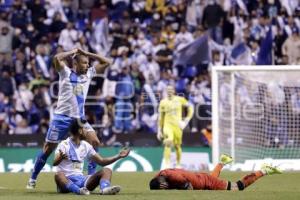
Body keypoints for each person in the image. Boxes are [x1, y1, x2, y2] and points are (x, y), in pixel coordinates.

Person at [27, 48, 112, 189]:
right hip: (61, 118)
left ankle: (90, 176)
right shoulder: (65, 72)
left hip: (79, 119)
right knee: (48, 149)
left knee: (95, 141)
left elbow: (108, 61)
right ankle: (33, 178)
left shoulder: (89, 74)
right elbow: (56, 58)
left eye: (88, 63)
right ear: (75, 64)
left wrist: (87, 53)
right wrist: (73, 51)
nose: (87, 65)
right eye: (84, 63)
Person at [53, 119, 130, 195]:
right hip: (65, 181)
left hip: (81, 180)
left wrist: (118, 156)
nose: (87, 131)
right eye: (85, 128)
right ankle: (78, 191)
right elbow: (54, 163)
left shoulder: (86, 145)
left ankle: (105, 189)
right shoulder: (64, 144)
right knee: (58, 175)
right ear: (80, 131)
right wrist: (60, 158)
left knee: (107, 171)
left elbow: (102, 161)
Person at [149, 154, 282, 190]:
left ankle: (264, 170)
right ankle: (222, 162)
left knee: (237, 187)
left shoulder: (174, 178)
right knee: (210, 180)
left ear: (163, 183)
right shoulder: (161, 174)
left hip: (203, 181)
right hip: (200, 178)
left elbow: (187, 187)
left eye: (163, 188)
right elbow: (154, 183)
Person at [157, 85, 194, 168]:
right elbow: (161, 117)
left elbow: (191, 108)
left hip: (177, 126)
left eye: (171, 89)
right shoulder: (163, 102)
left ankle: (178, 164)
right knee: (169, 141)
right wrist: (159, 130)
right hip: (167, 125)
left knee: (177, 146)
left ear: (174, 91)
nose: (169, 91)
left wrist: (186, 121)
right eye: (168, 90)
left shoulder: (180, 99)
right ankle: (166, 164)